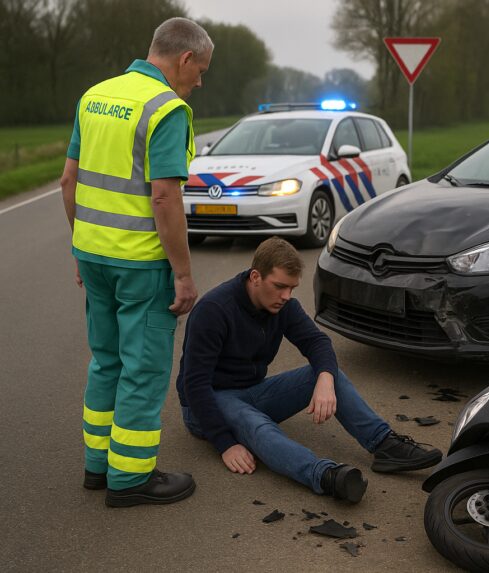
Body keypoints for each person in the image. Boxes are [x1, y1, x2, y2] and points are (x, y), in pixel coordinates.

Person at [59, 18, 213, 507]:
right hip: (141, 266)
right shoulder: (167, 108)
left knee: (106, 362)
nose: (200, 82)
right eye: (201, 69)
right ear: (184, 58)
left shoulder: (95, 95)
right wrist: (185, 275)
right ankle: (130, 480)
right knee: (143, 371)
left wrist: (82, 246)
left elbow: (69, 181)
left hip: (95, 256)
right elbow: (164, 198)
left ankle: (97, 467)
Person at [176, 237, 443, 503]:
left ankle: (384, 444)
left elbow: (317, 342)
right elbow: (194, 383)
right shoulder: (214, 310)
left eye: (291, 288)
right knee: (256, 425)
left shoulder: (283, 306)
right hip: (207, 403)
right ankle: (324, 475)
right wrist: (225, 443)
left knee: (329, 374)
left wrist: (325, 380)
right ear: (255, 277)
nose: (286, 297)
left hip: (251, 391)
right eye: (279, 286)